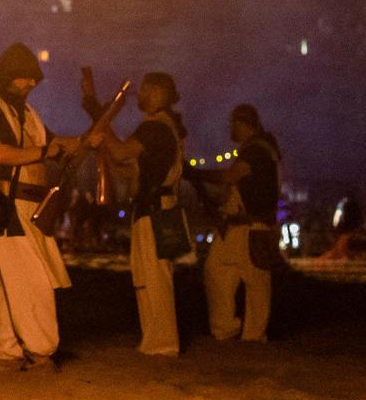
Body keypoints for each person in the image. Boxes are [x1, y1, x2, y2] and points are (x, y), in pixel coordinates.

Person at [0, 43, 94, 371]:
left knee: (12, 280)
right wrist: (47, 151)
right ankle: (41, 350)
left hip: (30, 207)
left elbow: (52, 146)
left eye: (32, 79)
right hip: (5, 205)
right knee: (31, 280)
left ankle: (7, 352)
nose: (29, 85)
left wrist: (84, 140)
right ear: (7, 77)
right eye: (23, 79)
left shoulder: (28, 114)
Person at [98, 71, 186, 357]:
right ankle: (154, 342)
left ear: (163, 94)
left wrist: (102, 123)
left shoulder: (156, 128)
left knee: (155, 278)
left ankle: (163, 344)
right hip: (151, 208)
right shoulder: (158, 127)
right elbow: (126, 167)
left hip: (156, 210)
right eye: (144, 89)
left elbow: (122, 153)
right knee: (147, 277)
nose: (144, 95)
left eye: (150, 90)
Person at [202, 103, 282, 343]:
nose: (230, 129)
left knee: (255, 283)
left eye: (233, 124)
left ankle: (251, 336)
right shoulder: (259, 149)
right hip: (238, 227)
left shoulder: (256, 150)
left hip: (251, 228)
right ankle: (230, 330)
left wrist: (197, 174)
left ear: (242, 123)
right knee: (218, 272)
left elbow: (229, 176)